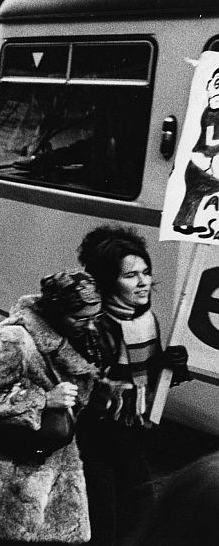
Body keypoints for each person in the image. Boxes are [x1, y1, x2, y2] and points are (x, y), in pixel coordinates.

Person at [77, 226, 190, 546]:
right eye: (131, 275)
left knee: (139, 511)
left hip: (129, 432)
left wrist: (171, 367)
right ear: (109, 281)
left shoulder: (146, 319)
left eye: (146, 272)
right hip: (95, 438)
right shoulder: (94, 326)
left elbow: (150, 378)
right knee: (104, 520)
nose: (143, 282)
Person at [0, 270, 104, 545]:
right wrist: (43, 400)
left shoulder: (79, 338)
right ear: (56, 311)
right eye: (81, 318)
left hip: (56, 466)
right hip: (17, 474)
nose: (91, 326)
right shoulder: (15, 339)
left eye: (95, 318)